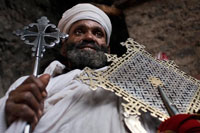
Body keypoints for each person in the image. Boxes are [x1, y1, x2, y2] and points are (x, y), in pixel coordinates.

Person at [0, 3, 199, 133]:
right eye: (79, 31)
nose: (89, 37)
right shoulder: (34, 82)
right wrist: (8, 113)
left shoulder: (132, 80)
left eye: (98, 33)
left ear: (107, 47)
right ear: (63, 45)